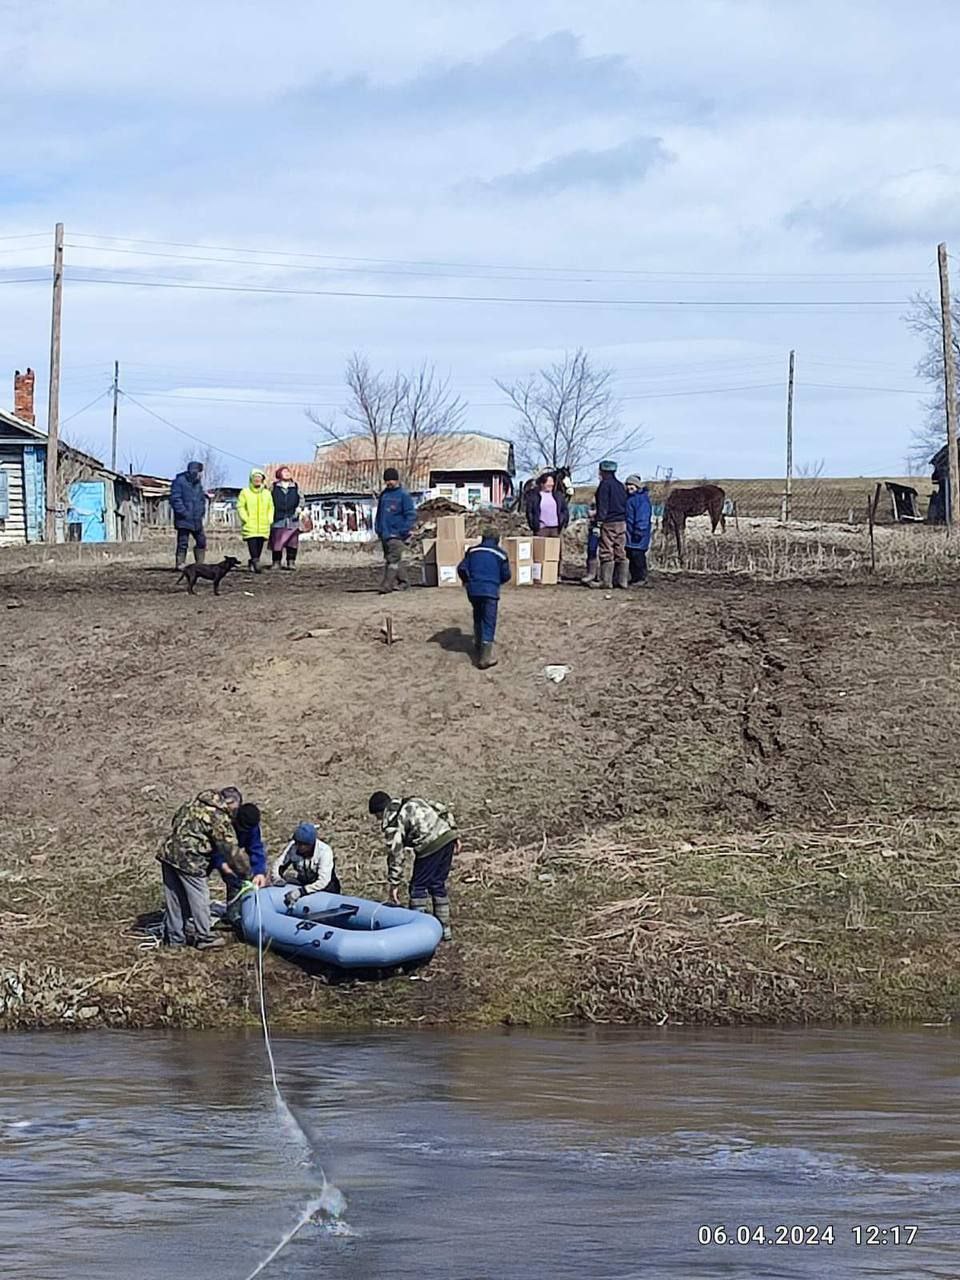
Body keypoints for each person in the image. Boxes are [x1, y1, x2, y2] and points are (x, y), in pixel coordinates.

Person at [157, 788, 249, 951]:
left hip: (169, 854)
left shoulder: (193, 804)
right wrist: (246, 873)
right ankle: (204, 937)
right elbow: (231, 850)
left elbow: (175, 821)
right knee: (199, 898)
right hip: (190, 860)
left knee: (175, 898)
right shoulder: (218, 817)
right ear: (232, 804)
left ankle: (174, 939)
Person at [368, 791, 460, 941]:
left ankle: (418, 933)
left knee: (418, 887)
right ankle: (445, 929)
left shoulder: (392, 822)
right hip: (447, 836)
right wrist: (453, 831)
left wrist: (394, 884)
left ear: (380, 811)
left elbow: (396, 855)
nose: (378, 819)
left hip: (429, 845)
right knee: (437, 883)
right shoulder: (411, 800)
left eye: (376, 816)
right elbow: (441, 808)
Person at [457, 527, 511, 669]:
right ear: (497, 540)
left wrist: (467, 581)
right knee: (489, 620)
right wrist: (496, 581)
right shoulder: (501, 554)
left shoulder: (472, 551)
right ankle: (485, 657)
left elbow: (461, 568)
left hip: (473, 590)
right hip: (490, 590)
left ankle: (478, 643)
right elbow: (507, 575)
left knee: (478, 613)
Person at [216, 799, 268, 924]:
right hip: (212, 852)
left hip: (234, 852)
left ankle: (238, 915)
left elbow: (255, 847)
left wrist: (259, 871)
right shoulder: (223, 823)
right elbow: (213, 847)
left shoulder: (252, 827)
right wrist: (221, 864)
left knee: (240, 879)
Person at [374, 467, 417, 593]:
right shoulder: (384, 495)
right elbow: (380, 514)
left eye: (392, 480)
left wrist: (403, 530)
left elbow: (411, 515)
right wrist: (378, 528)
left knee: (392, 560)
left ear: (397, 480)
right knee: (392, 559)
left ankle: (386, 586)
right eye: (387, 480)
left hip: (397, 534)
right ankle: (404, 582)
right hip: (385, 533)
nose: (389, 482)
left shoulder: (403, 496)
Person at [272, 822, 341, 899]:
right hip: (304, 881)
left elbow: (323, 881)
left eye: (301, 844)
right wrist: (277, 878)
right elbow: (279, 864)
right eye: (297, 843)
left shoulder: (324, 852)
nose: (298, 847)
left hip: (325, 887)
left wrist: (302, 891)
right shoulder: (293, 847)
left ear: (310, 844)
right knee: (287, 879)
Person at [590, 460, 629, 590]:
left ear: (602, 471)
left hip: (609, 522)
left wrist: (598, 523)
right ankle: (622, 581)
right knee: (620, 550)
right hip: (622, 522)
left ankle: (606, 581)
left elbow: (603, 506)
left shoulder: (604, 486)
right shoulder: (620, 486)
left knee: (606, 549)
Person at [169, 460, 208, 570]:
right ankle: (180, 564)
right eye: (200, 472)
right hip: (184, 519)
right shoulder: (179, 481)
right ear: (195, 471)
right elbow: (175, 499)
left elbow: (201, 499)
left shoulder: (198, 484)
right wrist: (184, 512)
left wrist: (201, 512)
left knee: (201, 541)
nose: (201, 475)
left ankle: (199, 564)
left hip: (196, 519)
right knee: (183, 542)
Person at [237, 468, 275, 573]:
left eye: (259, 477)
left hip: (263, 524)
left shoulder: (267, 493)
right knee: (252, 544)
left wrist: (269, 519)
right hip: (250, 524)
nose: (257, 479)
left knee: (259, 545)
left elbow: (271, 507)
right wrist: (245, 518)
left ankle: (253, 561)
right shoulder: (245, 492)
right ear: (251, 479)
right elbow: (240, 506)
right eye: (255, 477)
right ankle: (257, 564)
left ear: (262, 479)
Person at [270, 466, 302, 571]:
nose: (287, 473)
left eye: (288, 471)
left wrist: (299, 508)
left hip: (293, 517)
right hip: (278, 517)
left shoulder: (295, 486)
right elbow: (268, 500)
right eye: (284, 471)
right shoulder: (274, 487)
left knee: (292, 541)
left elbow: (301, 498)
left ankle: (291, 562)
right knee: (277, 541)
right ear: (279, 474)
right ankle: (276, 562)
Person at [624, 474, 653, 588]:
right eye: (628, 485)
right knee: (631, 554)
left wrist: (639, 530)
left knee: (638, 555)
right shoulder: (630, 498)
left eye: (632, 485)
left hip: (638, 533)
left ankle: (641, 577)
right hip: (629, 532)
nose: (629, 487)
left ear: (637, 486)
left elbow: (643, 517)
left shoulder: (641, 500)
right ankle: (635, 577)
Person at [580, 501, 601, 585]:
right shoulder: (594, 502)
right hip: (593, 527)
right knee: (591, 549)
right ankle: (591, 573)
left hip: (604, 525)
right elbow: (589, 512)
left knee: (603, 551)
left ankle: (601, 575)